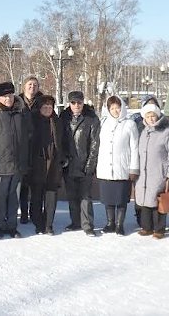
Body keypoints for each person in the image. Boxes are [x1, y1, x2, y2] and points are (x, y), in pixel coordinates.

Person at [0, 82, 32, 239]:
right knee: (0, 196)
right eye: (5, 97)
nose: (8, 99)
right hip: (1, 164)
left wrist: (25, 161)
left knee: (13, 196)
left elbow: (27, 138)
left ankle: (12, 226)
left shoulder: (21, 114)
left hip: (18, 164)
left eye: (11, 96)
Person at [130, 104, 169, 239]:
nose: (151, 118)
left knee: (158, 201)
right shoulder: (143, 130)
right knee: (145, 202)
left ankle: (159, 229)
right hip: (143, 174)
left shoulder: (166, 131)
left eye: (153, 115)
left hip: (159, 172)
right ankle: (147, 227)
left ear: (158, 116)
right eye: (148, 116)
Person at [58, 91, 100, 236]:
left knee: (85, 196)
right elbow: (60, 140)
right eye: (73, 103)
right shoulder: (63, 117)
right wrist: (62, 158)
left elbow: (95, 144)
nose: (76, 105)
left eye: (79, 103)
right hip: (68, 164)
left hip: (84, 163)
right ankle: (75, 221)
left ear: (83, 103)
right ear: (69, 103)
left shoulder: (91, 118)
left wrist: (90, 164)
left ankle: (87, 225)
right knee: (72, 195)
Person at [96, 95, 139, 236]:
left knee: (121, 199)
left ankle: (120, 224)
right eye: (112, 108)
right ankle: (110, 223)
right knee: (108, 197)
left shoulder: (129, 124)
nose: (115, 110)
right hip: (106, 168)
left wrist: (133, 168)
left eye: (117, 107)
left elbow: (134, 147)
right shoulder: (104, 123)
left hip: (122, 167)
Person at [29, 94, 63, 235]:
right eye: (45, 107)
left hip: (54, 164)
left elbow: (63, 141)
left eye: (50, 107)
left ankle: (49, 224)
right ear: (40, 108)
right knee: (36, 196)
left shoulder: (57, 121)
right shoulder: (33, 121)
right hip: (38, 163)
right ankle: (38, 223)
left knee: (51, 196)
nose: (48, 109)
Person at [18, 75, 44, 225]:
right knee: (23, 184)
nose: (32, 87)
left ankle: (35, 213)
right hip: (22, 147)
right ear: (24, 86)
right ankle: (24, 213)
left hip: (38, 146)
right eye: (29, 84)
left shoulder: (42, 101)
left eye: (35, 85)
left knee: (36, 184)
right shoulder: (17, 101)